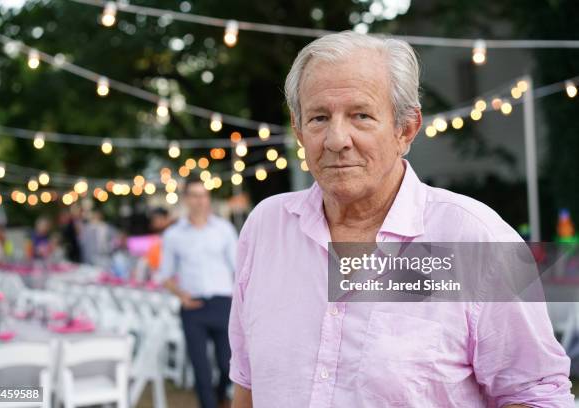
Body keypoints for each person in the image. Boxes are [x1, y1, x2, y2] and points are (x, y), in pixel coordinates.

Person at [229, 32, 573, 407]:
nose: (337, 139)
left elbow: (536, 395)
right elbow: (247, 383)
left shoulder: (475, 239)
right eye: (319, 117)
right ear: (298, 130)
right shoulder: (266, 229)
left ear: (405, 129)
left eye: (361, 115)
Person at [160, 177, 237, 408]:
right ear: (186, 199)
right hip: (193, 307)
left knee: (228, 365)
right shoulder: (173, 235)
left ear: (208, 198)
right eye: (194, 195)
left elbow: (239, 269)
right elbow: (164, 277)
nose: (199, 200)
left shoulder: (224, 230)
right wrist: (181, 295)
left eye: (203, 195)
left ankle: (221, 396)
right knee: (200, 370)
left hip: (223, 304)